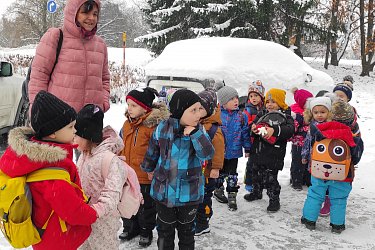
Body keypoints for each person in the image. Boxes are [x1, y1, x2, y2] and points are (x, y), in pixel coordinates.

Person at [0, 91, 97, 250]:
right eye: (71, 127)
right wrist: (93, 214)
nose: (75, 130)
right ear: (52, 133)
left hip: (43, 234)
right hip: (58, 240)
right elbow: (73, 211)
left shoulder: (30, 158)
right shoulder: (53, 174)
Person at [141, 89, 214, 250]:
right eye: (193, 110)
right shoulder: (162, 128)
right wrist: (148, 168)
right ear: (180, 111)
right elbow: (153, 151)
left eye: (199, 109)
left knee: (187, 233)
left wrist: (195, 135)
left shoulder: (199, 131)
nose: (198, 115)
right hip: (163, 192)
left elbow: (207, 154)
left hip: (189, 193)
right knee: (164, 232)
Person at [28, 0, 110, 113]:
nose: (91, 18)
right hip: (59, 119)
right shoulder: (55, 36)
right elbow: (39, 77)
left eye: (95, 14)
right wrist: (38, 110)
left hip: (91, 121)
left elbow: (104, 79)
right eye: (85, 12)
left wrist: (103, 103)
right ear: (73, 12)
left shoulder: (100, 45)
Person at [119, 87, 169, 247]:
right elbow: (121, 144)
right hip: (127, 173)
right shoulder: (127, 124)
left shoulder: (152, 127)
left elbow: (159, 151)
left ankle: (146, 231)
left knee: (146, 206)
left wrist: (153, 169)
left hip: (144, 175)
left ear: (145, 107)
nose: (129, 109)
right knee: (127, 202)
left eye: (133, 105)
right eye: (128, 105)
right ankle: (130, 227)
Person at [74, 104, 126, 249]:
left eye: (76, 135)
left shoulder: (109, 160)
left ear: (87, 135)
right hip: (83, 218)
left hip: (104, 223)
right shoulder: (84, 155)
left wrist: (96, 211)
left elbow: (113, 193)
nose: (73, 139)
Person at [301, 119, 363, 234]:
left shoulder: (320, 132)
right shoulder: (350, 136)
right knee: (339, 199)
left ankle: (309, 220)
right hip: (343, 175)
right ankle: (337, 225)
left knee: (315, 195)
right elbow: (356, 158)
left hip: (320, 171)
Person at [244, 88, 294, 213]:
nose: (270, 105)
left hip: (274, 154)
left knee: (270, 178)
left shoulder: (286, 116)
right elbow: (254, 124)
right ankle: (256, 192)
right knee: (256, 174)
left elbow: (290, 130)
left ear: (281, 103)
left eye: (273, 102)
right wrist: (254, 129)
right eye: (268, 101)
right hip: (258, 151)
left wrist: (275, 130)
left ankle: (274, 199)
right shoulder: (262, 113)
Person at [214, 86, 251, 211]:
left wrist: (247, 148)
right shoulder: (217, 115)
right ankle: (218, 190)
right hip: (219, 152)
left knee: (232, 175)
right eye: (231, 99)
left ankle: (232, 195)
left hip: (234, 151)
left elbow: (245, 132)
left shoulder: (241, 116)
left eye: (236, 98)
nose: (236, 101)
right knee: (218, 173)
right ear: (223, 102)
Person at [195, 88, 225, 236]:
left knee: (204, 198)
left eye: (201, 108)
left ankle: (203, 222)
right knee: (197, 197)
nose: (198, 111)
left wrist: (216, 168)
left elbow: (219, 150)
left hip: (208, 173)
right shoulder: (198, 124)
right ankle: (196, 219)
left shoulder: (213, 129)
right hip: (197, 171)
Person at [243, 80, 266, 196]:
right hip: (252, 141)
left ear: (261, 97)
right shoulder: (248, 110)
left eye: (256, 95)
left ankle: (260, 182)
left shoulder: (264, 109)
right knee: (251, 163)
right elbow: (245, 124)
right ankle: (249, 182)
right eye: (251, 96)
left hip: (263, 141)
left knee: (261, 163)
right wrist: (253, 124)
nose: (253, 98)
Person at [289, 88, 313, 190]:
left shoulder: (311, 111)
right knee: (297, 162)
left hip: (309, 143)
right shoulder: (295, 113)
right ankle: (296, 181)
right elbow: (293, 128)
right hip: (298, 143)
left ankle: (307, 180)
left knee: (308, 162)